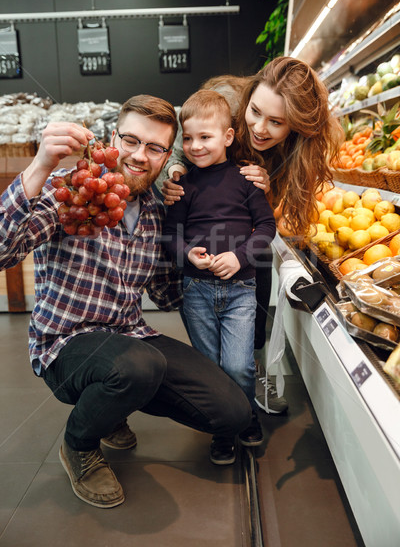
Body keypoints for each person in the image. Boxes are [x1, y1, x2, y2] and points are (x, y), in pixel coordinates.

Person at [0, 94, 252, 509]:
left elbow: (166, 294)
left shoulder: (157, 211)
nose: (139, 156)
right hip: (65, 344)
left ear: (167, 155)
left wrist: (209, 250)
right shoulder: (74, 190)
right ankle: (79, 444)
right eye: (131, 141)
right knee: (137, 366)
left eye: (154, 148)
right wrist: (41, 163)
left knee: (233, 411)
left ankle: (114, 406)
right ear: (112, 138)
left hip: (131, 335)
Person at [162, 57, 343, 412]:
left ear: (299, 127)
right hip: (197, 239)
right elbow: (184, 143)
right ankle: (223, 397)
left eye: (276, 122)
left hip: (242, 242)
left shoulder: (295, 152)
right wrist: (174, 172)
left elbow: (268, 219)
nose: (260, 128)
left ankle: (247, 368)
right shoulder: (224, 103)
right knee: (209, 349)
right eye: (256, 112)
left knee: (250, 308)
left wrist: (268, 187)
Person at [163, 89, 276, 465]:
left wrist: (239, 256)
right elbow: (171, 235)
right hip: (196, 290)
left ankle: (246, 415)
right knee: (209, 368)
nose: (195, 146)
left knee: (238, 365)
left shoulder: (246, 178)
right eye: (189, 138)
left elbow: (265, 227)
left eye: (205, 137)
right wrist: (187, 255)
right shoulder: (184, 186)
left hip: (242, 289)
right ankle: (223, 429)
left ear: (228, 137)